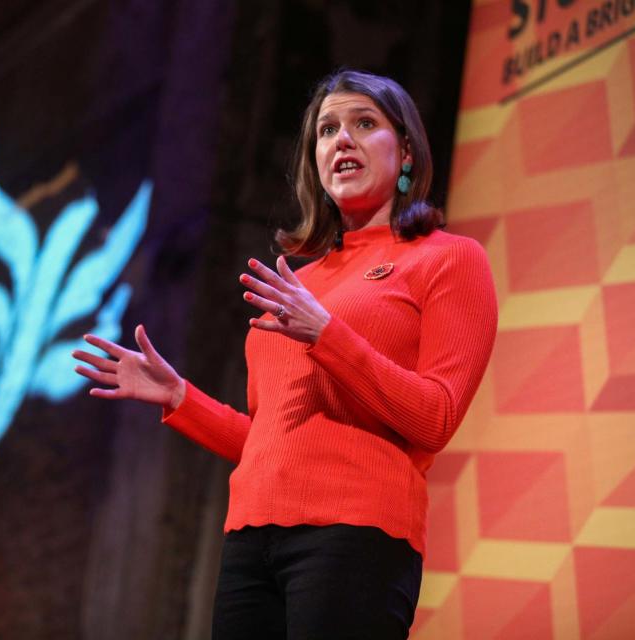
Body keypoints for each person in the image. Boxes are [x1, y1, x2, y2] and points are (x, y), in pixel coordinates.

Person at [72, 69, 497, 639]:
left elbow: (436, 417)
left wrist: (330, 336)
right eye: (326, 131)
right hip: (251, 539)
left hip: (357, 534)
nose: (340, 140)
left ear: (407, 156)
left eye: (363, 124)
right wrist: (182, 398)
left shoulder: (449, 260)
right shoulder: (297, 283)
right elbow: (274, 436)